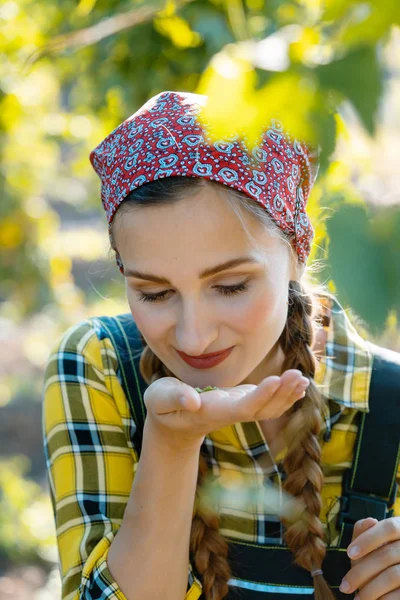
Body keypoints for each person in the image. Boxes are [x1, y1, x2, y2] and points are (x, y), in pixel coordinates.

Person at [42, 90, 400, 600]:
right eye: (155, 293)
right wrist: (172, 443)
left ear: (299, 251)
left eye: (231, 287)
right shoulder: (101, 368)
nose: (194, 337)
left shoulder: (388, 403)